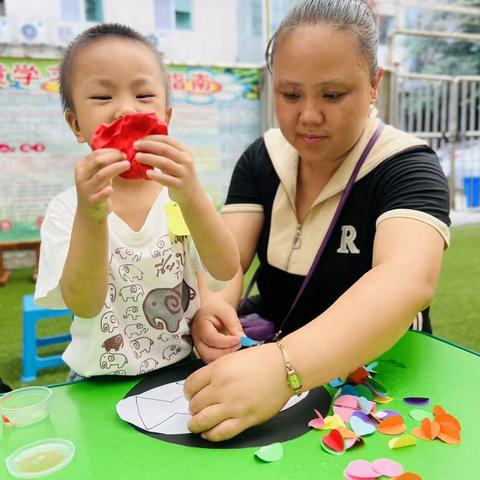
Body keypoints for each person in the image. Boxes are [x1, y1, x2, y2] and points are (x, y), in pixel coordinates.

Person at [184, 0, 450, 441]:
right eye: (290, 94)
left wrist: (283, 367)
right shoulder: (262, 157)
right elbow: (226, 263)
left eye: (332, 94)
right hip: (261, 369)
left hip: (378, 386)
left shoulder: (407, 166)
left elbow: (406, 279)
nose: (308, 115)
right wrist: (215, 309)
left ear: (373, 85)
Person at [34, 23, 239, 378]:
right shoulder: (68, 210)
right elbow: (84, 304)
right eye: (102, 97)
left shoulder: (179, 196)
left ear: (166, 118)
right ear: (76, 124)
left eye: (144, 96)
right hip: (96, 378)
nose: (125, 110)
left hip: (182, 369)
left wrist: (192, 196)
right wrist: (92, 216)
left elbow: (224, 268)